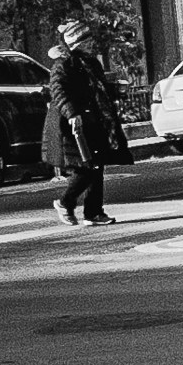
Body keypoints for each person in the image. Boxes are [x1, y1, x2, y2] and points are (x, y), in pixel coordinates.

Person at [47, 18, 117, 225]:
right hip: (73, 125)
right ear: (77, 43)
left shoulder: (91, 63)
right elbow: (59, 92)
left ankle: (93, 212)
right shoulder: (63, 65)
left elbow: (96, 90)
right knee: (86, 167)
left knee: (97, 167)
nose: (92, 43)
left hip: (93, 121)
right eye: (87, 40)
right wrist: (72, 114)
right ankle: (65, 203)